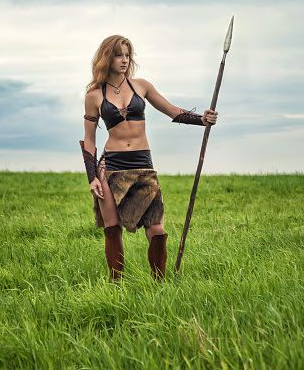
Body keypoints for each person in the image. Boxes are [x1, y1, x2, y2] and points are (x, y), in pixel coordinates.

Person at [81, 35, 217, 281]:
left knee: (156, 227)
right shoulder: (94, 96)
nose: (124, 60)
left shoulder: (141, 86)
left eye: (127, 55)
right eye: (118, 55)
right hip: (110, 167)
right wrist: (92, 178)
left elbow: (172, 111)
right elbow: (89, 139)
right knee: (112, 229)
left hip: (143, 165)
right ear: (106, 57)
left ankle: (159, 283)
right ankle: (116, 286)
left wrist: (201, 119)